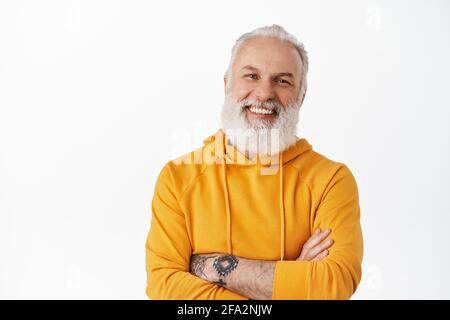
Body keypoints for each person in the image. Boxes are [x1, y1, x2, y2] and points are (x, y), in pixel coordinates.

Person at [145, 24, 364, 300]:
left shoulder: (331, 180)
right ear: (227, 84)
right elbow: (164, 287)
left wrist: (214, 267)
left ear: (301, 95)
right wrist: (291, 281)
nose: (263, 94)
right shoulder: (178, 178)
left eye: (282, 81)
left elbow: (334, 284)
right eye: (251, 76)